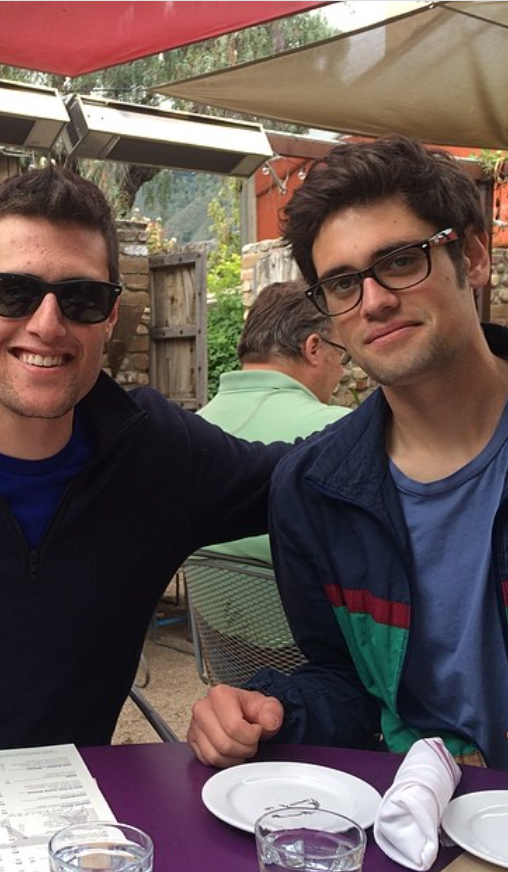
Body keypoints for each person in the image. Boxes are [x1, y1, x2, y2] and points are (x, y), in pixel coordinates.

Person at [0, 165, 290, 802]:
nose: (47, 323)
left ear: (110, 316)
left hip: (68, 825)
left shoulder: (159, 453)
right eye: (12, 292)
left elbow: (313, 475)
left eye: (81, 298)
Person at [187, 134, 508, 771]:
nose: (375, 300)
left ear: (470, 257)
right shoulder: (313, 488)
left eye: (400, 261)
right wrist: (267, 709)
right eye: (341, 284)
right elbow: (348, 686)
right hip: (422, 818)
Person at [198, 279, 351, 564]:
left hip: (212, 608)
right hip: (305, 609)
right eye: (343, 354)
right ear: (314, 348)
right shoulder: (342, 432)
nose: (343, 371)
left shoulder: (194, 429)